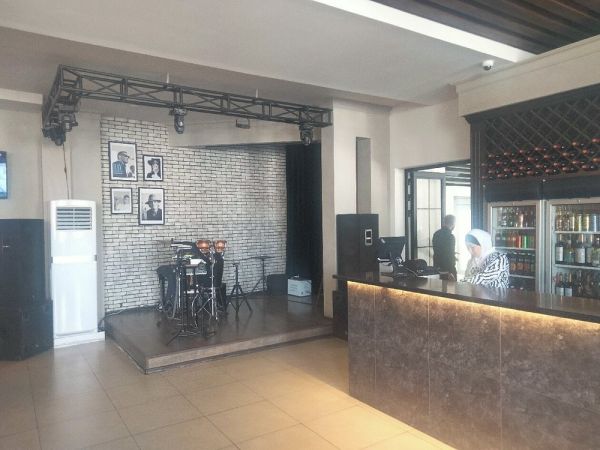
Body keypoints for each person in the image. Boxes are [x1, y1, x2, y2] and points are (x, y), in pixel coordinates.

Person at [432, 214, 457, 280]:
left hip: (437, 266)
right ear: (453, 224)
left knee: (439, 285)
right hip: (448, 268)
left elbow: (437, 250)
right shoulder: (450, 237)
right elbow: (450, 254)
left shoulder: (436, 234)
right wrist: (451, 270)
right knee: (452, 286)